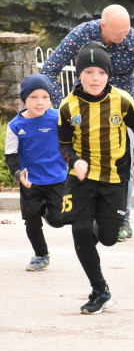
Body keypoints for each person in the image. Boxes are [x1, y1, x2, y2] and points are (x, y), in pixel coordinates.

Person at [41, 4, 134, 240]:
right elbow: (50, 68)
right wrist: (60, 105)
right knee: (80, 162)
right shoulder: (82, 34)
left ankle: (122, 217)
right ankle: (86, 211)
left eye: (126, 31)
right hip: (83, 111)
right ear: (102, 26)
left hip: (120, 112)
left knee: (123, 165)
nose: (124, 37)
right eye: (118, 33)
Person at [57, 42, 134, 314]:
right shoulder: (68, 106)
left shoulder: (122, 100)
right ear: (79, 75)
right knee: (80, 230)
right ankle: (100, 290)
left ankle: (99, 222)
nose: (95, 78)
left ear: (108, 74)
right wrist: (74, 161)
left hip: (115, 177)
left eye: (100, 71)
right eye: (88, 72)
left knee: (110, 237)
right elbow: (63, 145)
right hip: (82, 178)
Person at [5, 75, 66, 272]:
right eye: (33, 97)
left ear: (50, 98)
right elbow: (11, 155)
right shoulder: (15, 126)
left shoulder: (58, 118)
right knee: (31, 222)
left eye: (44, 97)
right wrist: (17, 174)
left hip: (57, 179)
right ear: (24, 99)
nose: (39, 102)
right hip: (30, 181)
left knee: (57, 221)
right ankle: (41, 254)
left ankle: (46, 211)